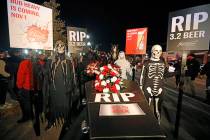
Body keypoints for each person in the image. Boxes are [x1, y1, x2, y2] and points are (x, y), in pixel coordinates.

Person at [139, 44, 174, 124]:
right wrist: (141, 88)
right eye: (155, 50)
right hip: (148, 88)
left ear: (161, 52)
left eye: (159, 51)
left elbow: (165, 74)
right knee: (146, 107)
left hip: (160, 89)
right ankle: (145, 124)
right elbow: (142, 76)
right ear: (152, 51)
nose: (157, 52)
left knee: (158, 109)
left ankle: (158, 125)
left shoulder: (163, 63)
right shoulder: (146, 63)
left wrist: (178, 72)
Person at [46, 40, 76, 130]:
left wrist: (71, 86)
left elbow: (72, 74)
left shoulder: (69, 60)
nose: (60, 47)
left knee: (66, 105)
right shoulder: (50, 59)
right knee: (53, 105)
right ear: (56, 47)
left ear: (64, 47)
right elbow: (47, 74)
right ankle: (52, 121)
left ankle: (67, 122)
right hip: (54, 88)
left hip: (65, 88)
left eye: (62, 45)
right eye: (58, 45)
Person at [16, 49, 34, 123]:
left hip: (26, 87)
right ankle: (32, 115)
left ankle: (27, 116)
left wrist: (19, 86)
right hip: (34, 87)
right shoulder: (36, 62)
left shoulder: (23, 63)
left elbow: (20, 76)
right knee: (30, 102)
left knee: (25, 103)